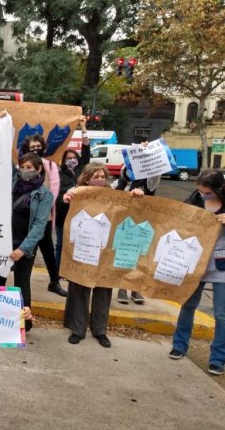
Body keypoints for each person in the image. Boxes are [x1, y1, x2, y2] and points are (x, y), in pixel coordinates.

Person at [62, 163, 143, 348]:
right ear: (87, 178)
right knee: (80, 288)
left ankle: (100, 330)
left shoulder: (114, 194)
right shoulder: (77, 192)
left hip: (105, 251)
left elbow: (131, 208)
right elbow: (63, 209)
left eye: (102, 176)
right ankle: (78, 329)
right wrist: (65, 198)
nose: (99, 180)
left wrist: (136, 195)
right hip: (82, 249)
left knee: (103, 290)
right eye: (95, 176)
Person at [169, 169, 225, 376]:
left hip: (220, 267)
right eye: (200, 191)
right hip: (194, 263)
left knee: (222, 315)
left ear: (219, 189)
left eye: (207, 192)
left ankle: (218, 358)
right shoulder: (193, 200)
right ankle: (179, 345)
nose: (203, 195)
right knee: (188, 305)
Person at [0, 152, 53, 331]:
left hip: (24, 246)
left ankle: (23, 324)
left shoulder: (44, 195)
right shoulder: (11, 183)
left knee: (21, 283)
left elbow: (39, 225)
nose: (25, 171)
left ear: (38, 169)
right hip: (2, 243)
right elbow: (1, 156)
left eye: (29, 168)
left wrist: (23, 249)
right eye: (22, 167)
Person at [20, 135, 68, 297]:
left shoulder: (50, 166)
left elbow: (54, 190)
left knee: (47, 248)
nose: (35, 149)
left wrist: (41, 207)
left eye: (38, 146)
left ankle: (54, 281)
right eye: (32, 146)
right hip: (24, 215)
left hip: (44, 215)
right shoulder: (21, 165)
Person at [114, 159, 161, 305]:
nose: (131, 171)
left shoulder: (148, 183)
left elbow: (156, 174)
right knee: (123, 255)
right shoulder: (118, 184)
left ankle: (136, 288)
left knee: (140, 257)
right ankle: (122, 287)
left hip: (142, 225)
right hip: (123, 225)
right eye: (128, 168)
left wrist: (147, 156)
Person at [55, 120, 91, 269]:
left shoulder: (82, 169)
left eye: (74, 158)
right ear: (64, 161)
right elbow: (56, 194)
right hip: (63, 214)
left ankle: (72, 270)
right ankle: (59, 270)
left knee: (77, 244)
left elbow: (86, 148)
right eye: (69, 158)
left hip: (81, 215)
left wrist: (83, 128)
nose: (72, 160)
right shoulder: (58, 173)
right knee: (61, 244)